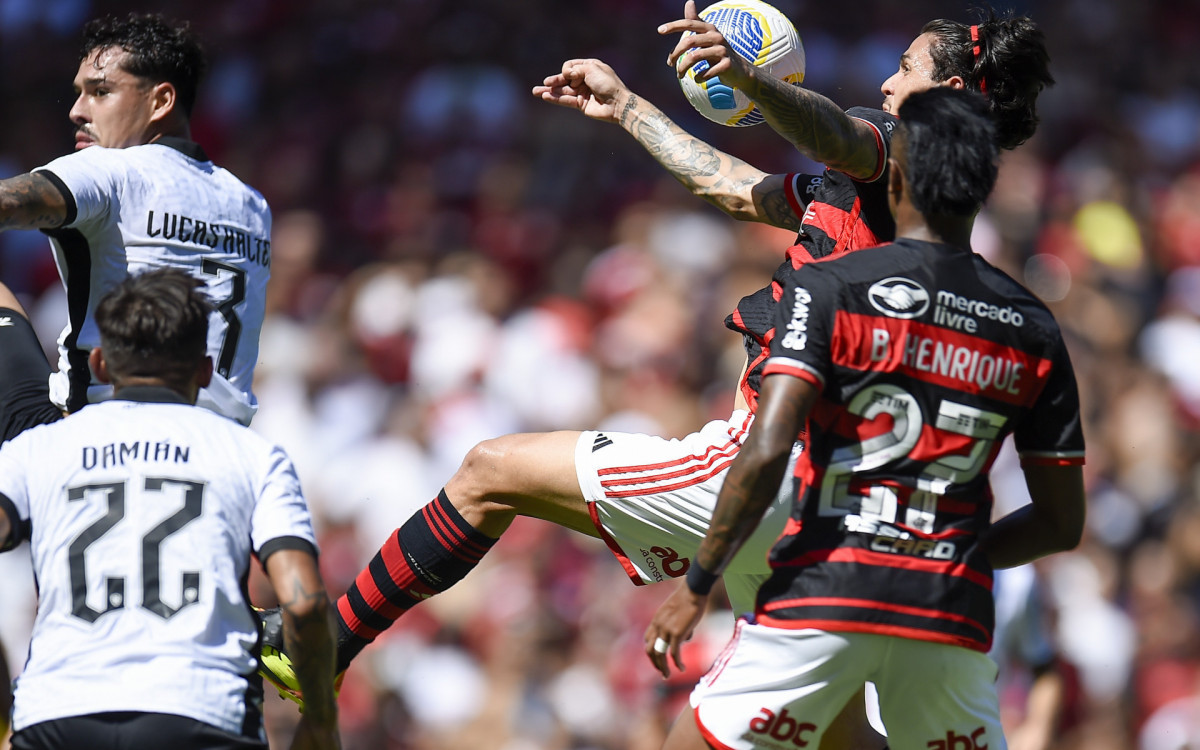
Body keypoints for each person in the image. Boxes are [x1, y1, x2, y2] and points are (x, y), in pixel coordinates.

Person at [258, 1, 1052, 727]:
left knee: (487, 471)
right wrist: (630, 107)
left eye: (905, 67)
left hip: (762, 473)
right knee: (836, 736)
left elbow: (834, 133)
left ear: (948, 87)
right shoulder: (910, 207)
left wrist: (753, 81)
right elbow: (744, 190)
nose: (886, 81)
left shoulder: (894, 150)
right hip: (827, 509)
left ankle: (321, 647)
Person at [643, 86, 1086, 750]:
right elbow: (1061, 522)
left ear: (896, 175)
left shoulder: (834, 285)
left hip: (826, 595)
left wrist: (698, 584)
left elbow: (767, 447)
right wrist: (950, 556)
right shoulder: (1032, 324)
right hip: (945, 617)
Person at [0, 268, 339, 750]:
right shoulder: (252, 455)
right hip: (201, 710)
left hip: (57, 712)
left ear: (98, 364)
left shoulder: (38, 449)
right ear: (204, 370)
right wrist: (322, 719)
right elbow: (304, 602)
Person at [0, 12, 271, 440]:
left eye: (100, 92)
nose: (76, 111)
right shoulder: (253, 204)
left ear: (161, 101)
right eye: (77, 94)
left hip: (95, 438)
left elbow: (8, 203)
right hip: (220, 441)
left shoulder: (111, 169)